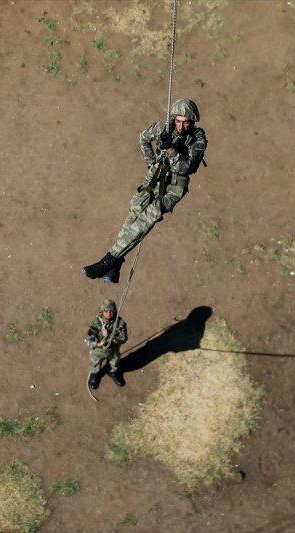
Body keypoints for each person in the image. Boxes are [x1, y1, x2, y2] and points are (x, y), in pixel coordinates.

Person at [82, 98, 207, 283]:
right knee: (133, 214)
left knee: (147, 218)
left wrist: (170, 149)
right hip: (154, 178)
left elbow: (186, 167)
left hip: (172, 189)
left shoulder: (198, 139)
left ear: (193, 121)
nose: (181, 126)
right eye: (178, 121)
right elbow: (143, 138)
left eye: (186, 122)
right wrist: (151, 163)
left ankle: (107, 261)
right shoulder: (162, 129)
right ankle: (115, 266)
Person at [85, 299, 128, 390]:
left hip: (113, 349)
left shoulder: (119, 322)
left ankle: (112, 372)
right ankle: (95, 373)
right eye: (106, 311)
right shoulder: (97, 322)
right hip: (99, 350)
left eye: (111, 311)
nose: (108, 314)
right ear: (102, 311)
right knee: (95, 363)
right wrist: (98, 343)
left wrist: (110, 337)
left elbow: (123, 338)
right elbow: (89, 339)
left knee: (114, 362)